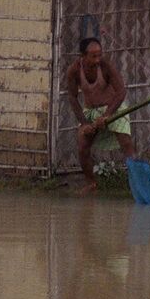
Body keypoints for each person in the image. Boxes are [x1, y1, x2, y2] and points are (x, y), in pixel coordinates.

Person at [63, 34, 133, 192]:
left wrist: (107, 115)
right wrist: (84, 123)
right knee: (82, 146)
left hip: (113, 109)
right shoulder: (74, 70)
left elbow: (121, 92)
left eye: (99, 55)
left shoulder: (105, 66)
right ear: (83, 56)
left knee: (126, 144)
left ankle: (134, 182)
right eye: (93, 56)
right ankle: (91, 183)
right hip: (91, 112)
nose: (97, 60)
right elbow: (72, 97)